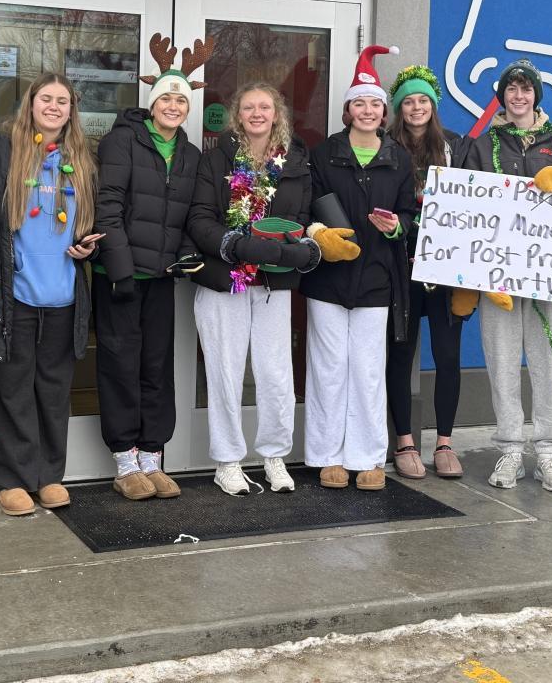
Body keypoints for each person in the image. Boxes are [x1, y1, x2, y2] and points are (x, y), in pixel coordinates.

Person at [0, 73, 100, 516]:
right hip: (16, 295)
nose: (54, 107)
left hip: (64, 295)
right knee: (12, 389)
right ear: (30, 104)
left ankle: (49, 476)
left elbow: (89, 225)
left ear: (71, 110)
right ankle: (12, 479)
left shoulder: (81, 160)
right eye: (46, 98)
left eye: (62, 101)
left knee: (53, 390)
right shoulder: (1, 154)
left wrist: (88, 246)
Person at [93, 34, 212, 500]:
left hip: (162, 276)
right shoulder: (122, 141)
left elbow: (192, 214)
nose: (173, 106)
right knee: (120, 364)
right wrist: (119, 267)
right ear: (152, 103)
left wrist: (182, 258)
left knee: (157, 366)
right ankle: (125, 461)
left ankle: (152, 456)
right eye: (166, 98)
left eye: (180, 100)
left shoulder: (190, 154)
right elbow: (107, 205)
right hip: (121, 276)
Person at [187, 83, 320, 495]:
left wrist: (299, 248)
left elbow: (304, 218)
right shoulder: (217, 159)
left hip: (272, 283)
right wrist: (237, 246)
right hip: (226, 279)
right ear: (238, 115)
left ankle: (274, 456)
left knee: (276, 373)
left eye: (265, 106)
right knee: (224, 372)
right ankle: (227, 461)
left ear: (276, 113)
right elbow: (199, 219)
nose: (257, 113)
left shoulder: (296, 161)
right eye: (249, 107)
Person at [462, 59, 552, 493]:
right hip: (498, 279)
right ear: (502, 96)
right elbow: (467, 209)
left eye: (526, 89)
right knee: (502, 362)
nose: (518, 96)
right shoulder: (482, 145)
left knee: (550, 363)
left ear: (536, 95)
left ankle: (549, 451)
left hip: (550, 280)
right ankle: (510, 448)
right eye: (511, 89)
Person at [301, 45, 415, 491]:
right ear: (348, 110)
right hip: (328, 279)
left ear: (384, 112)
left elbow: (408, 214)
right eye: (360, 103)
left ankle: (367, 457)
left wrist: (396, 226)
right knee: (328, 367)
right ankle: (327, 455)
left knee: (368, 370)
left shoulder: (399, 158)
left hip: (376, 278)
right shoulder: (322, 154)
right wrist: (319, 234)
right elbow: (307, 206)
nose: (367, 111)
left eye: (375, 104)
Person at [384, 65, 473, 480]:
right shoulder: (386, 145)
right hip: (400, 265)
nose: (416, 107)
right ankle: (404, 442)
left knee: (448, 355)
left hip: (446, 266)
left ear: (433, 106)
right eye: (409, 101)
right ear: (399, 108)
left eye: (423, 100)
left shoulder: (457, 145)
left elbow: (479, 202)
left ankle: (444, 443)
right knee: (401, 354)